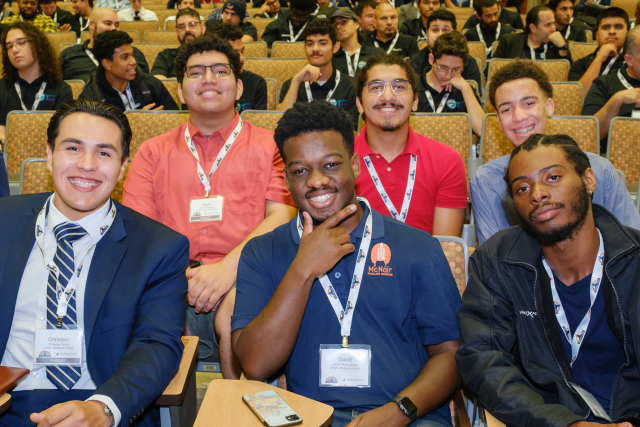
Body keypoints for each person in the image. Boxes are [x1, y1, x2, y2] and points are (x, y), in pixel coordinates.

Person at [232, 99, 463, 427]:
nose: (315, 181)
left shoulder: (417, 247)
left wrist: (397, 412)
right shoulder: (262, 252)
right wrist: (303, 268)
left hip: (407, 417)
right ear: (285, 179)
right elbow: (255, 365)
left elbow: (450, 354)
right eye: (300, 171)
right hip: (309, 419)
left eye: (330, 165)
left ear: (354, 166)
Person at [0, 98, 189, 427]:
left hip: (101, 402)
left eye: (104, 153)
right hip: (8, 402)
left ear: (123, 166)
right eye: (73, 148)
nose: (87, 164)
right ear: (49, 154)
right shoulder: (4, 222)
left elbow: (156, 344)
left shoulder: (159, 247)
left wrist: (104, 407)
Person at [122, 34, 297, 379]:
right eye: (196, 72)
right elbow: (142, 234)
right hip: (175, 278)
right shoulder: (152, 153)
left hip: (252, 275)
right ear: (180, 88)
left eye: (220, 70)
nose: (208, 80)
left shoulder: (273, 146)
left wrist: (228, 270)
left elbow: (282, 217)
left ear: (239, 86)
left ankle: (239, 406)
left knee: (240, 314)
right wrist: (180, 277)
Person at [458, 133, 640, 427]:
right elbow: (484, 361)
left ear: (589, 180)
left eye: (553, 177)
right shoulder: (497, 262)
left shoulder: (634, 258)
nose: (537, 193)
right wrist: (565, 424)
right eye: (522, 188)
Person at [469, 59, 640, 245]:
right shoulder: (486, 181)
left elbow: (631, 245)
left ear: (549, 106)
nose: (519, 117)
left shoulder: (600, 169)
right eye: (507, 109)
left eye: (529, 103)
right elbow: (493, 259)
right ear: (498, 119)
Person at [354, 53, 467, 235]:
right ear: (359, 103)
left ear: (415, 101)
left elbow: (445, 250)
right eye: (376, 87)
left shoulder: (447, 161)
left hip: (425, 263)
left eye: (399, 86)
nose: (388, 96)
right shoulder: (338, 161)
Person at [279, 19, 358, 128]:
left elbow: (353, 130)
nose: (315, 49)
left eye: (322, 43)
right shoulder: (291, 85)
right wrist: (296, 81)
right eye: (310, 44)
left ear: (335, 47)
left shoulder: (351, 85)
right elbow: (281, 127)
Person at [0, 22, 72, 140]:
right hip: (8, 153)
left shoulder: (61, 89)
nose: (14, 50)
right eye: (9, 46)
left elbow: (62, 135)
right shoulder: (2, 87)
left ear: (38, 45)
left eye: (21, 43)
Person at [79, 30, 177, 111]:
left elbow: (177, 125)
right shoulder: (90, 98)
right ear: (107, 63)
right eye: (125, 57)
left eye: (132, 55)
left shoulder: (152, 84)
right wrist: (138, 122)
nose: (133, 61)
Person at [417, 31, 483, 135]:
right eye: (443, 68)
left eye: (456, 69)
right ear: (431, 59)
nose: (448, 76)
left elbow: (482, 131)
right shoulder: (412, 87)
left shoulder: (465, 90)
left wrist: (466, 88)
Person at [60, 7, 149, 82]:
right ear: (92, 25)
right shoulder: (69, 55)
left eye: (116, 25)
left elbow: (146, 86)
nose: (114, 28)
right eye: (108, 23)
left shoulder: (133, 53)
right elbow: (53, 93)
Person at [583, 26, 640, 142]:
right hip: (615, 156)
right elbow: (590, 135)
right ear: (629, 60)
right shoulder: (604, 84)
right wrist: (616, 100)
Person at [410, 10, 483, 91]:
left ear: (454, 33)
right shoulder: (414, 62)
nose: (440, 35)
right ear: (427, 33)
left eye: (445, 30)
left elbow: (476, 95)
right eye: (435, 30)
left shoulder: (468, 62)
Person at [209, 23, 268, 112]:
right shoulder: (204, 85)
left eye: (242, 52)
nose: (241, 58)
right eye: (234, 53)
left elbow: (257, 122)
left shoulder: (257, 83)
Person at [569, 8, 628, 94]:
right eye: (606, 27)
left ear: (627, 34)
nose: (612, 31)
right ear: (597, 35)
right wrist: (599, 59)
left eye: (618, 27)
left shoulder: (633, 63)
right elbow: (578, 98)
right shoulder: (580, 65)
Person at [493, 6, 571, 61]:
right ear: (533, 28)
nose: (553, 28)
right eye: (548, 25)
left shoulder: (560, 43)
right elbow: (493, 69)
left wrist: (563, 48)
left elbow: (568, 77)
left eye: (554, 23)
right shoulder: (509, 41)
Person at [152, 8, 204, 80]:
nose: (187, 30)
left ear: (202, 28)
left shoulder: (214, 54)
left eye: (192, 24)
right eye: (182, 27)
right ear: (177, 32)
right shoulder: (166, 56)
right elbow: (157, 82)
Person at [332, 9, 382, 78]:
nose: (338, 26)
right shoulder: (331, 57)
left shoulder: (376, 53)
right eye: (335, 25)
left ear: (356, 24)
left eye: (343, 22)